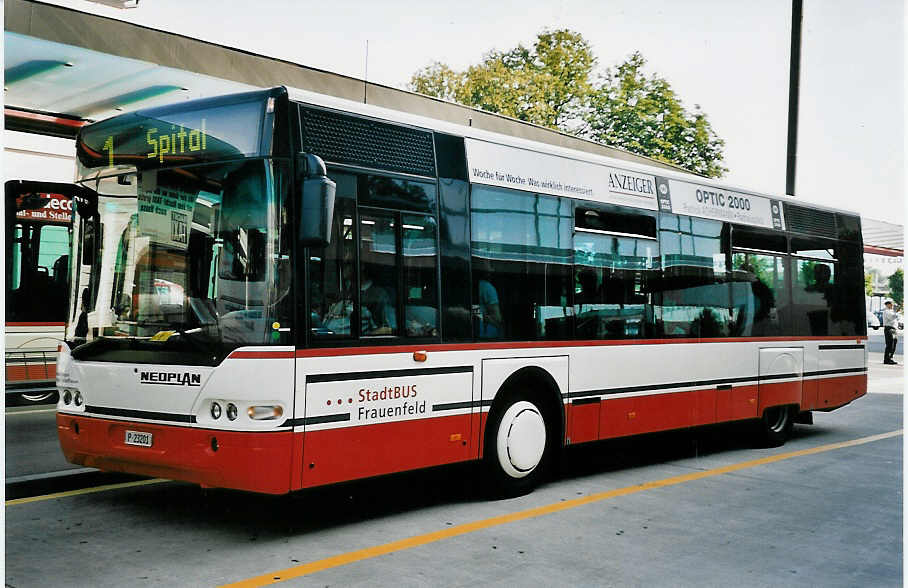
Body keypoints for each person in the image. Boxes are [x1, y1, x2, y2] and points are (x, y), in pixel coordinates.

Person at [882, 299, 899, 364]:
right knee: (890, 344)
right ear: (888, 304)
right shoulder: (886, 311)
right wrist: (896, 312)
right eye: (891, 304)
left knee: (894, 343)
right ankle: (887, 359)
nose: (892, 305)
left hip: (893, 329)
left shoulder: (891, 311)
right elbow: (891, 317)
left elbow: (895, 319)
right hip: (889, 329)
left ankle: (890, 358)